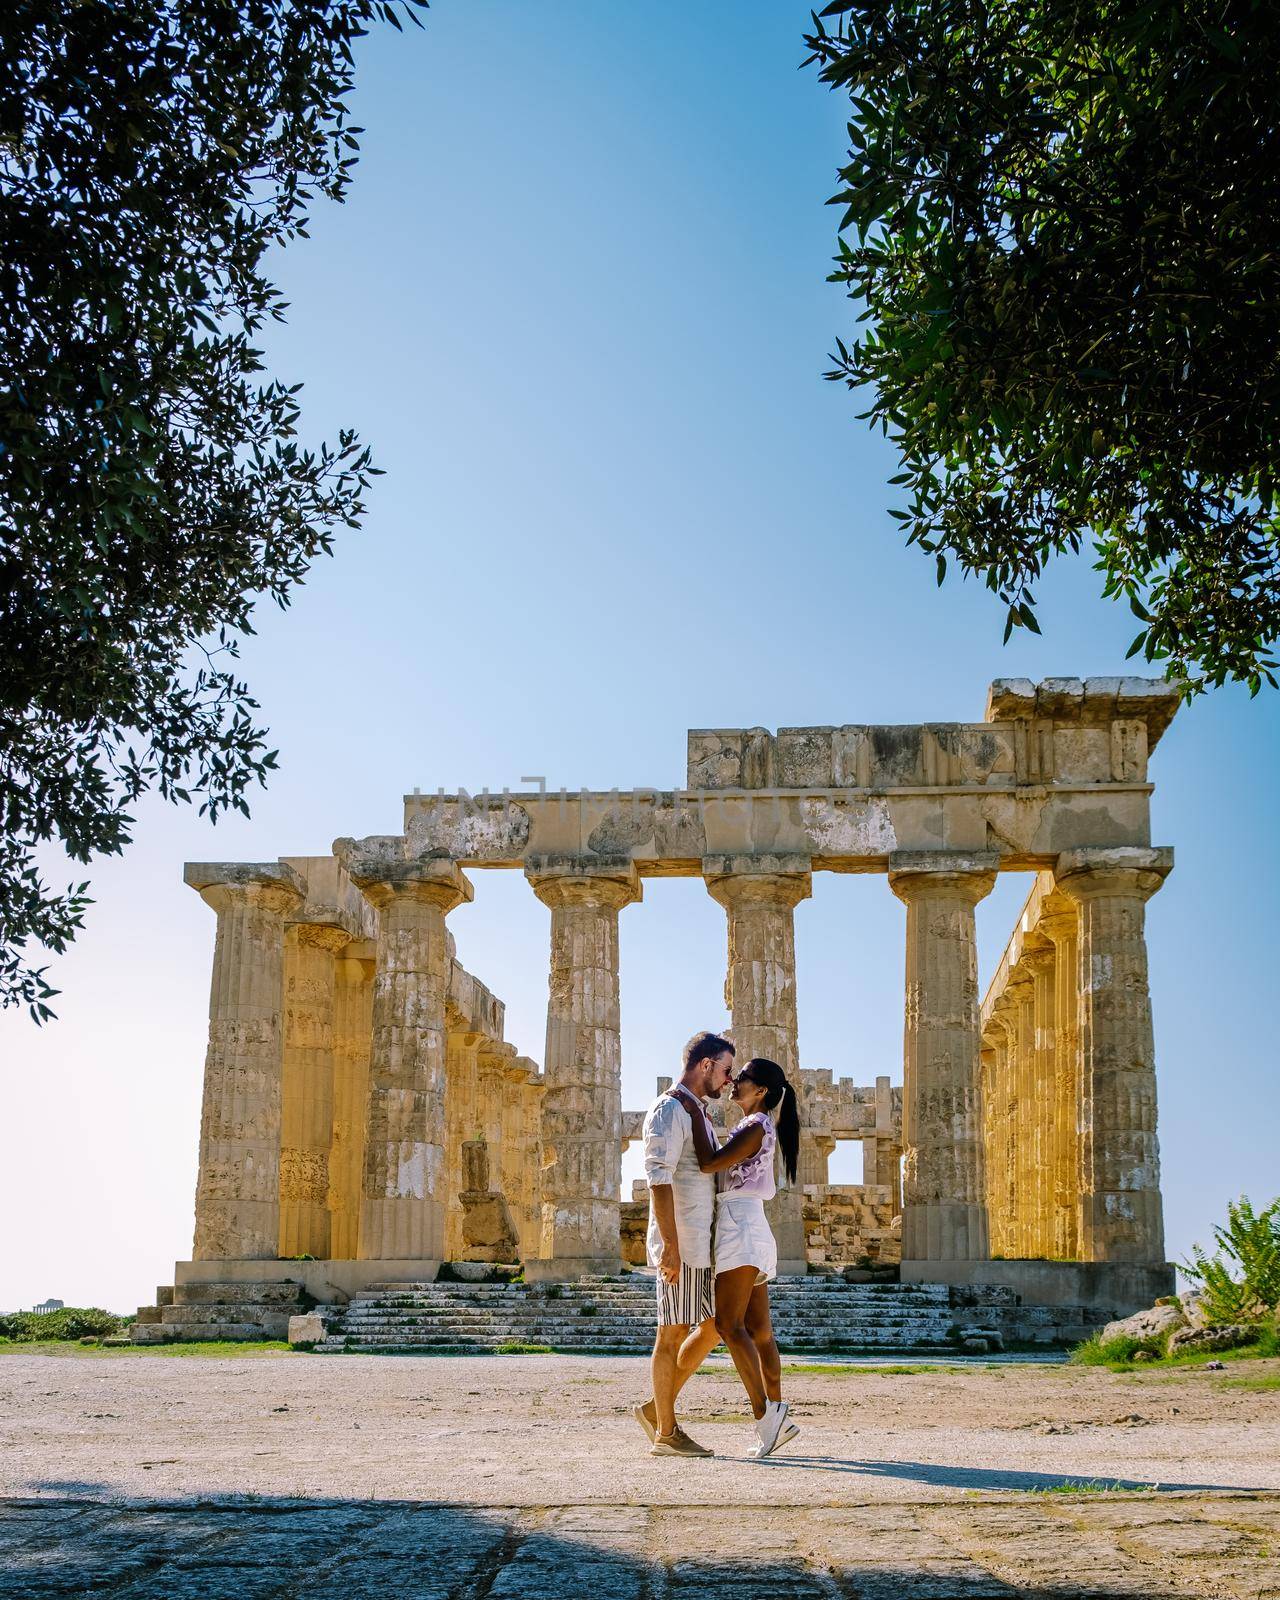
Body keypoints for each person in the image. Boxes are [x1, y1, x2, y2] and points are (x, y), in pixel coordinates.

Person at [684, 1056, 801, 1459]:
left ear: (761, 1090)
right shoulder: (757, 1125)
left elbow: (708, 1163)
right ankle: (778, 1413)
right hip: (749, 1223)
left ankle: (765, 1416)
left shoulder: (755, 1126)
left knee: (728, 1325)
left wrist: (694, 1114)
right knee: (759, 1329)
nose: (734, 1080)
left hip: (740, 1226)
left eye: (744, 1077)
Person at [633, 1030, 735, 1457]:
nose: (730, 1080)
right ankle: (666, 1433)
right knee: (671, 1333)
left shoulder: (697, 1111)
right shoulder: (669, 1109)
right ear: (705, 1064)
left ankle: (658, 1408)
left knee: (718, 1324)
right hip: (682, 1244)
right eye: (726, 1069)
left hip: (700, 1243)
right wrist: (670, 1247)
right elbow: (659, 1178)